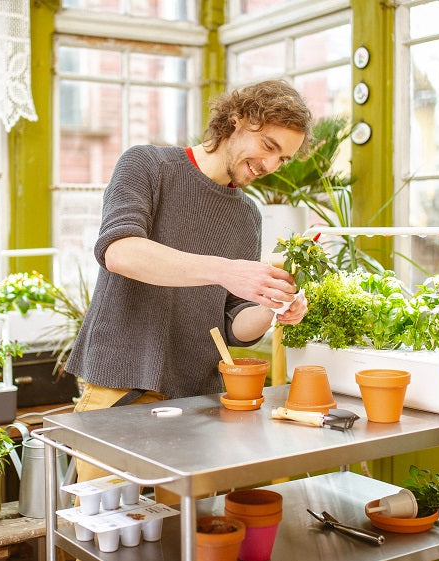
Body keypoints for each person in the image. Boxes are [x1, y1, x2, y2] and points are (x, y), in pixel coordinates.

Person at [63, 80, 313, 485]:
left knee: (187, 536)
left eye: (282, 158)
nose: (270, 166)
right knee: (103, 533)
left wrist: (272, 306)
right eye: (268, 146)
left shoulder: (247, 216)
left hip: (198, 400)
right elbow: (120, 252)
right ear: (237, 119)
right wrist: (226, 270)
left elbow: (235, 324)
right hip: (118, 385)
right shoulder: (146, 166)